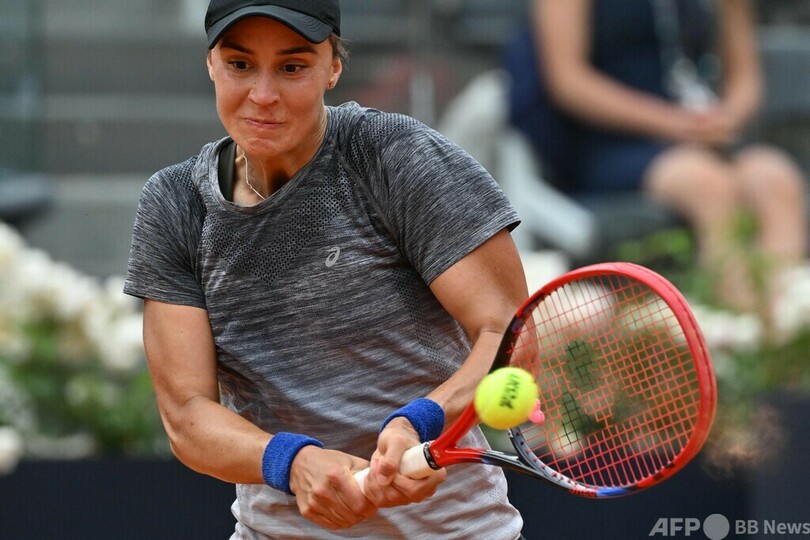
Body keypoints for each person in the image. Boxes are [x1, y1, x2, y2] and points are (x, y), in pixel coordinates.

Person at [124, 1, 527, 538]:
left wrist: (421, 424)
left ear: (333, 66)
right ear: (211, 64)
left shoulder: (395, 157)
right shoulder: (176, 205)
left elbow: (513, 335)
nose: (263, 95)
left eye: (292, 67)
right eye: (240, 65)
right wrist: (289, 461)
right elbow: (187, 416)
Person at [507, 0, 808, 314]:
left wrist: (727, 115)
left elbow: (745, 77)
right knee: (707, 184)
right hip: (608, 140)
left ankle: (779, 335)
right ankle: (735, 329)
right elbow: (568, 81)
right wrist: (673, 123)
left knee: (776, 178)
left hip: (700, 136)